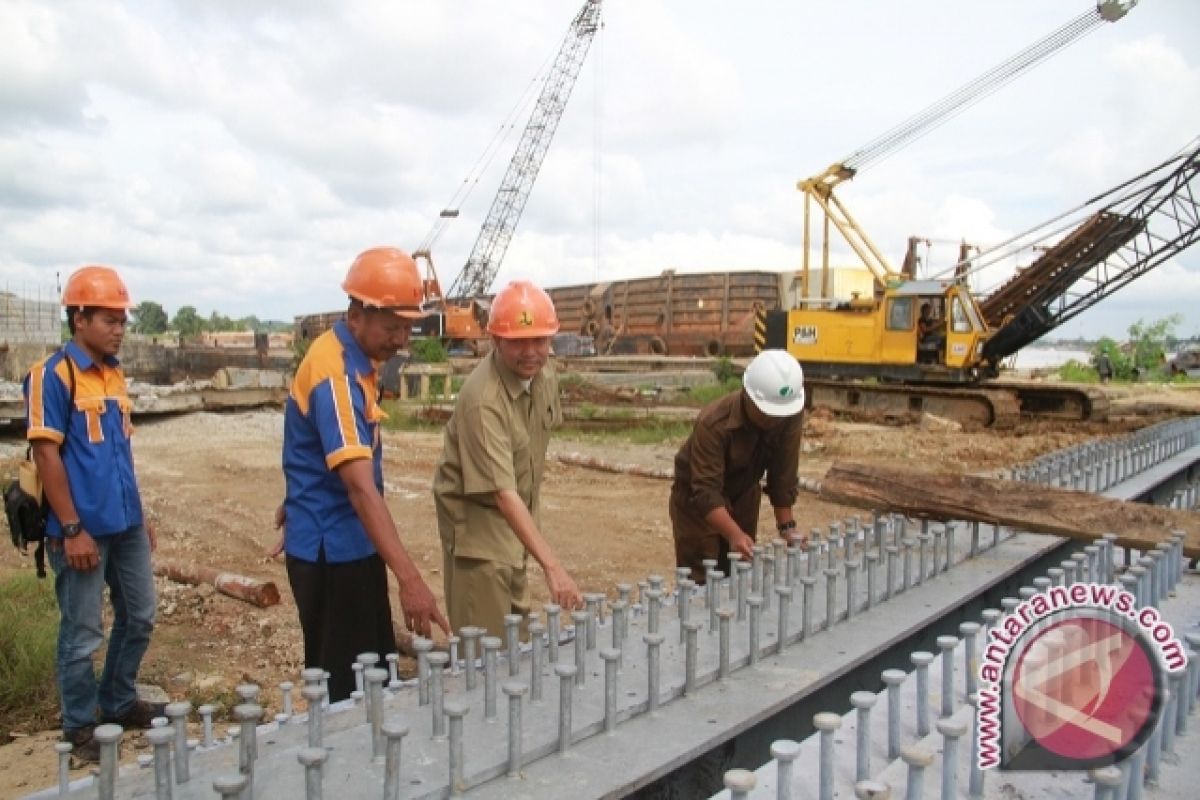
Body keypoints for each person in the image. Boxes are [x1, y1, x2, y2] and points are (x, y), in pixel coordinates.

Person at [281, 246, 448, 702]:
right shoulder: (335, 375)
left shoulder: (354, 362)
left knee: (372, 676)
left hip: (351, 544)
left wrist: (295, 499)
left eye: (408, 327)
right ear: (357, 313)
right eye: (392, 327)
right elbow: (358, 487)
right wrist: (411, 580)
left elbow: (314, 450)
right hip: (331, 553)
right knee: (348, 693)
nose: (401, 340)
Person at [25, 266, 162, 763]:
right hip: (80, 530)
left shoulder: (113, 373)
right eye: (109, 319)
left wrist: (139, 513)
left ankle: (118, 701)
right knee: (82, 633)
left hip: (124, 524)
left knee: (141, 615)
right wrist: (71, 528)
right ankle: (79, 726)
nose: (119, 329)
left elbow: (120, 454)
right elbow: (47, 455)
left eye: (122, 320)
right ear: (78, 318)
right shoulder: (53, 376)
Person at [433, 280, 583, 638]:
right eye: (518, 341)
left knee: (517, 643)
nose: (530, 351)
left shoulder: (544, 376)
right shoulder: (483, 400)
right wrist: (553, 566)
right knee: (483, 656)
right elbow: (501, 491)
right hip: (479, 536)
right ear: (495, 340)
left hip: (516, 527)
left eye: (540, 340)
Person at [670, 349, 807, 582]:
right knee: (702, 576)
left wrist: (787, 527)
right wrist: (733, 533)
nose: (774, 420)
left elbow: (784, 472)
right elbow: (705, 492)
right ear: (748, 396)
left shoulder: (788, 412)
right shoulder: (713, 423)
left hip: (743, 492)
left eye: (779, 415)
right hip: (696, 501)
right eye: (768, 413)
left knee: (738, 572)